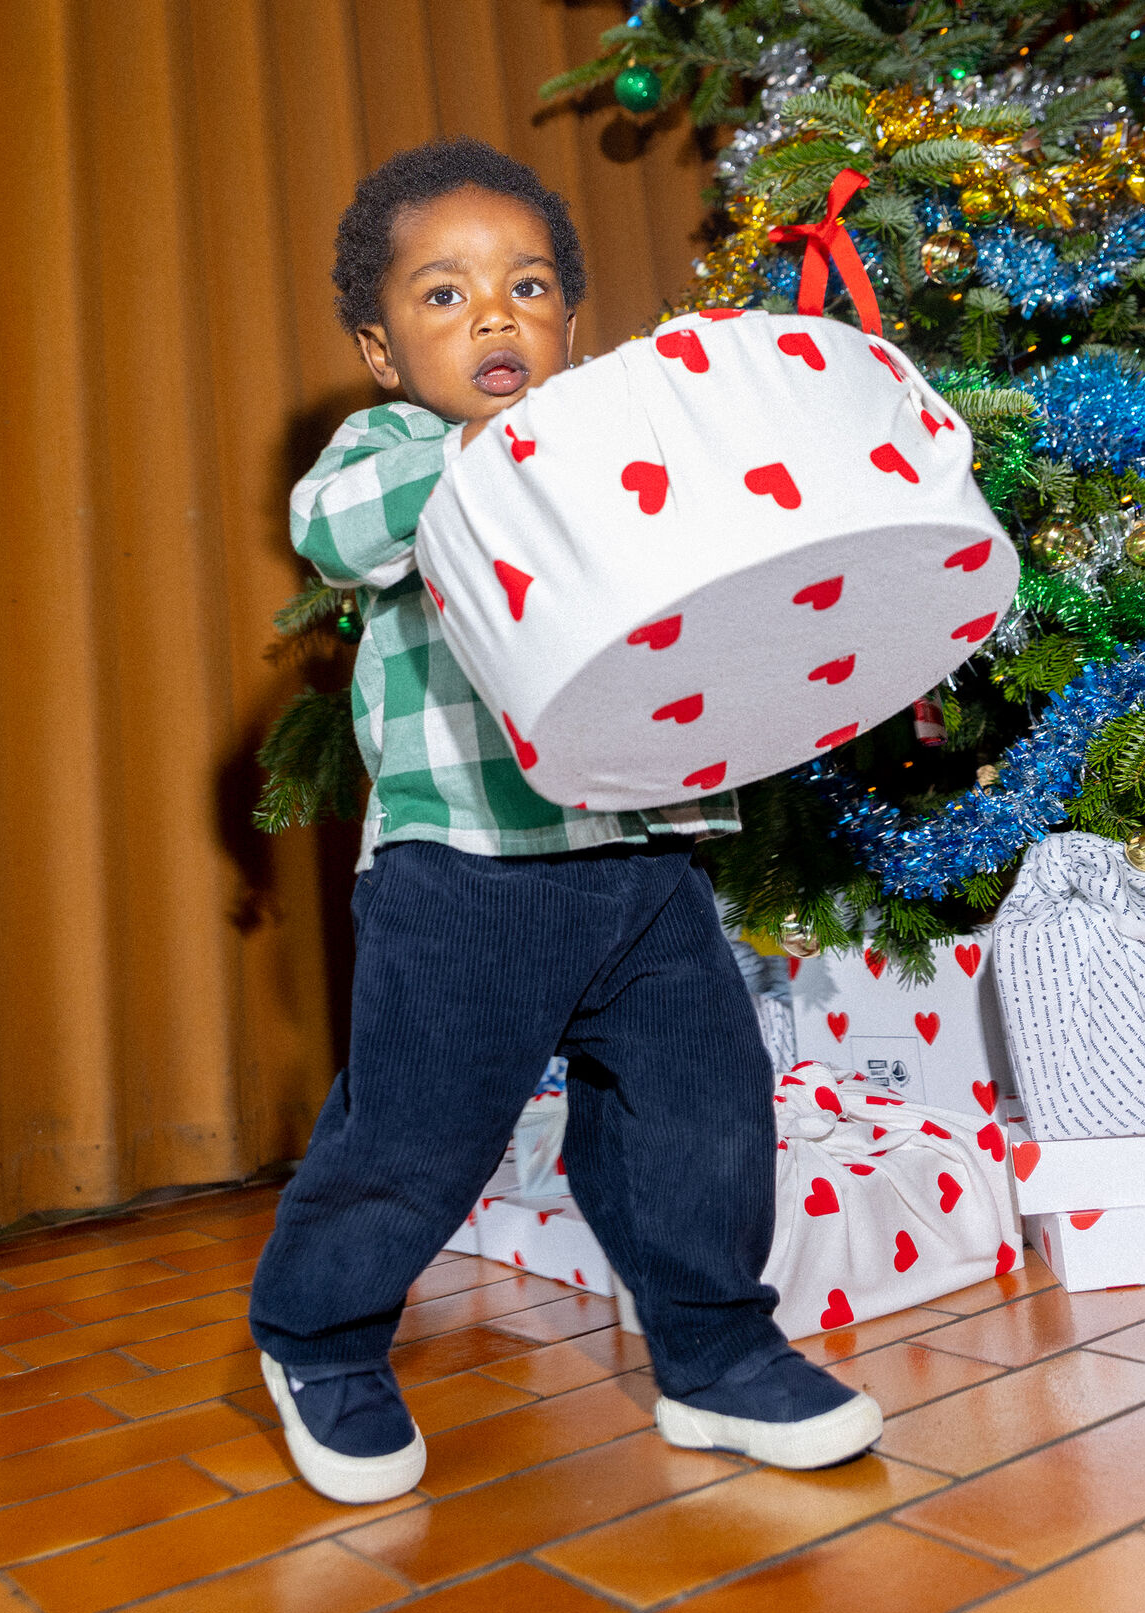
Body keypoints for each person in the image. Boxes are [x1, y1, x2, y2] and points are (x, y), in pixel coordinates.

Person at [249, 136, 882, 1505]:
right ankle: (320, 1335)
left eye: (528, 286)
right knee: (416, 1135)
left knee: (701, 1114)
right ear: (379, 349)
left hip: (644, 856)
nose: (494, 315)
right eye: (444, 294)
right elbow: (333, 530)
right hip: (463, 867)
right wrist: (490, 449)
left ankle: (714, 1354)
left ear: (571, 324)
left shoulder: (615, 445)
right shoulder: (397, 450)